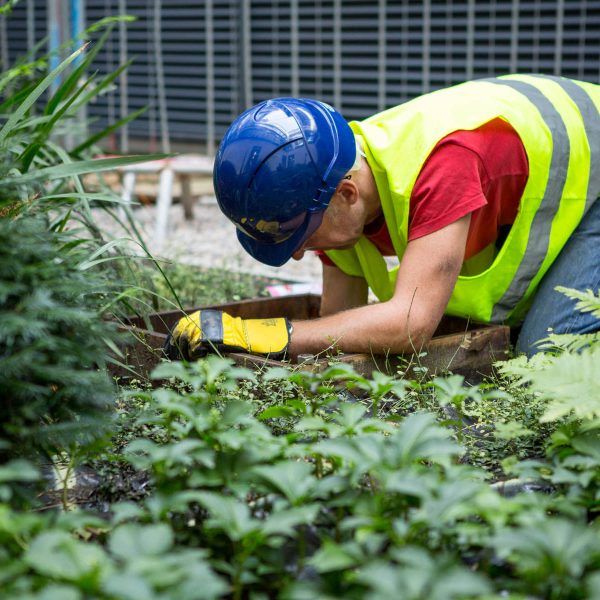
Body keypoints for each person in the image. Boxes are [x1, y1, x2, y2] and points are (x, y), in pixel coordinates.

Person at [165, 74, 600, 362]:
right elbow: (336, 326)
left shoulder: (443, 166)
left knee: (545, 356)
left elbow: (409, 326)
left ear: (347, 194)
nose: (297, 255)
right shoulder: (330, 183)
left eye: (300, 236)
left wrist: (272, 332)